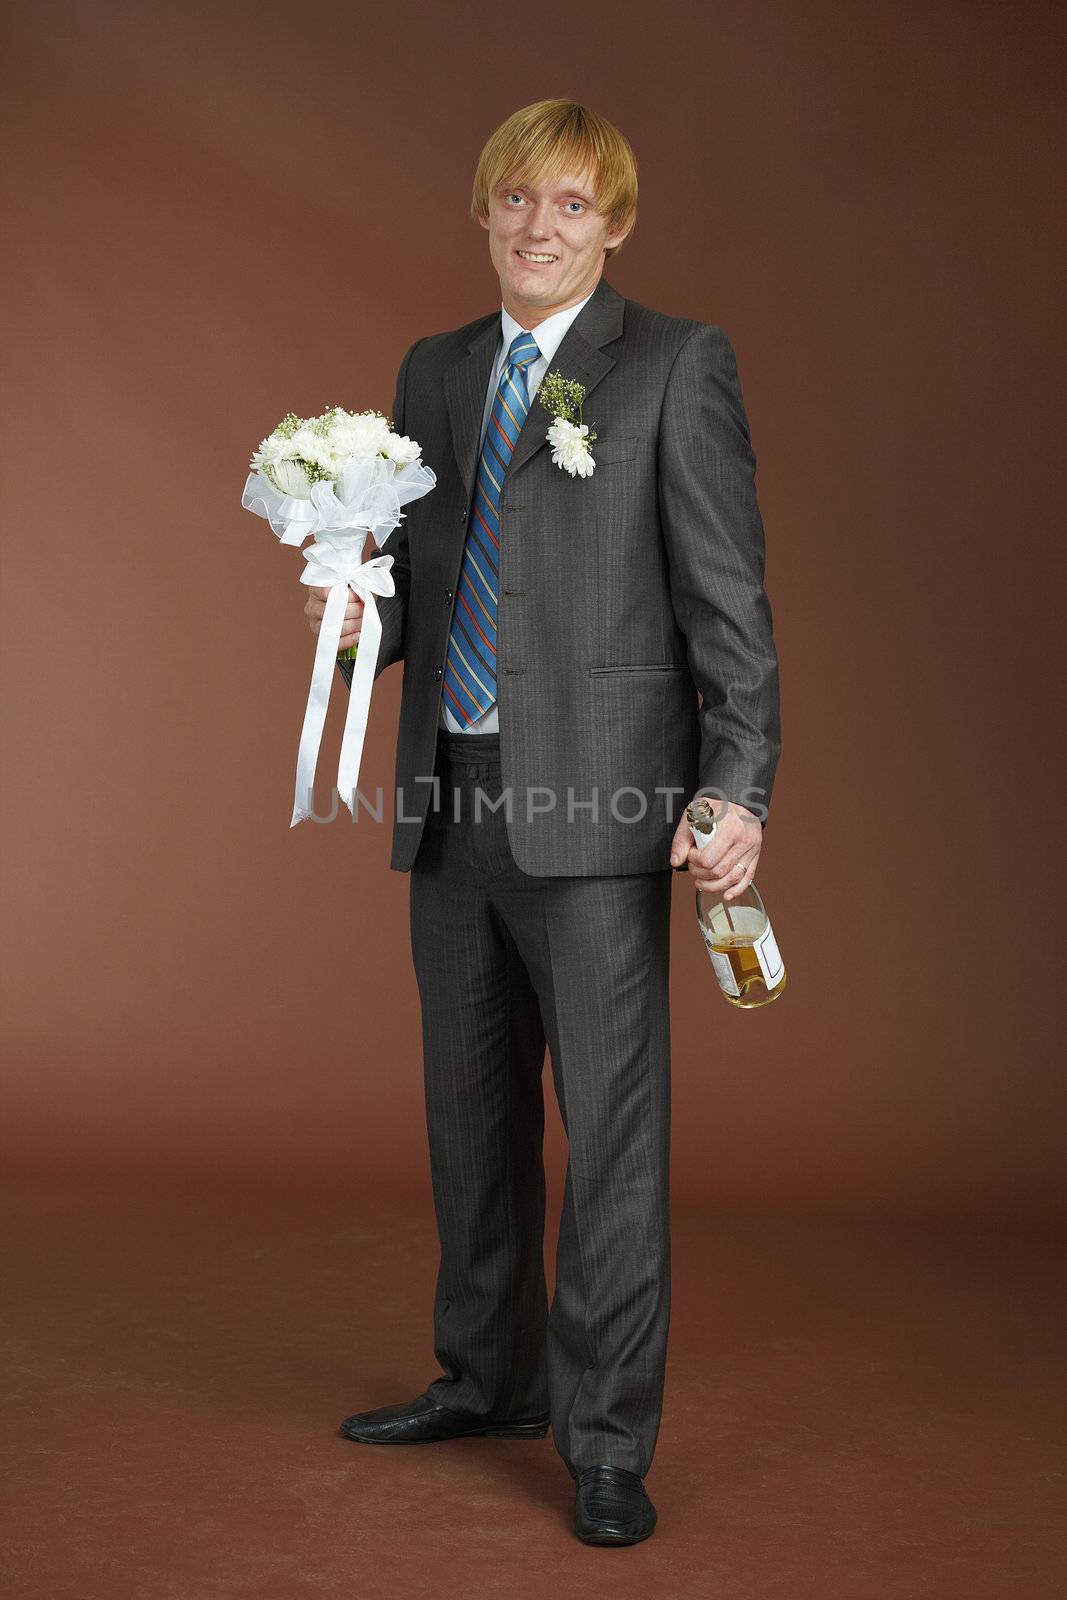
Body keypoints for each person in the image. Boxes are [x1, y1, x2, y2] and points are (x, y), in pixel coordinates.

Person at [305, 97, 781, 1546]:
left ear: (615, 224)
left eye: (570, 205)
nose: (538, 228)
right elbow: (423, 584)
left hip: (607, 806)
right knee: (471, 1116)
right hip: (449, 798)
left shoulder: (677, 364)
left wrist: (738, 788)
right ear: (484, 213)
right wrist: (343, 599)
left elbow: (730, 607)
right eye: (516, 202)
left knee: (613, 1134)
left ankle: (607, 1439)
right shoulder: (436, 370)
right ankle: (487, 1375)